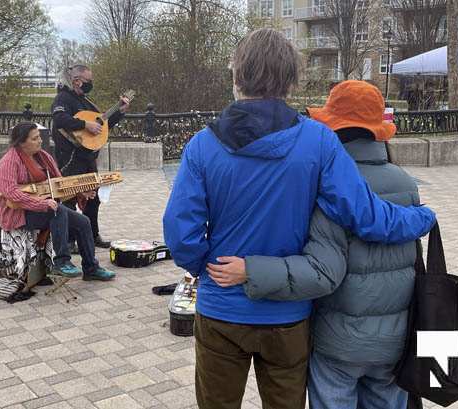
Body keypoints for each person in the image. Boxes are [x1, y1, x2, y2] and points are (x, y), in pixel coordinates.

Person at [163, 29, 435, 409]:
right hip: (288, 317)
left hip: (221, 310)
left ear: (236, 77)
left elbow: (180, 236)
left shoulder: (202, 146)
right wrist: (420, 219)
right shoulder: (318, 142)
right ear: (291, 81)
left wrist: (207, 269)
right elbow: (366, 216)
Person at [207, 80, 419, 409]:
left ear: (332, 127)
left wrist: (251, 270)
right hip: (394, 342)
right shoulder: (406, 182)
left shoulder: (328, 184)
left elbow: (323, 272)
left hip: (338, 345)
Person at [0, 122, 116, 281]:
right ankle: (61, 262)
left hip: (46, 208)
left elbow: (59, 184)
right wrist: (42, 204)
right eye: (34, 139)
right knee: (57, 211)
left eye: (39, 137)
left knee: (83, 221)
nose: (40, 141)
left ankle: (91, 268)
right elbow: (11, 193)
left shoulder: (43, 156)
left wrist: (80, 192)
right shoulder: (9, 161)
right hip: (20, 213)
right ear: (21, 142)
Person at [51, 64, 131, 249]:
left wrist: (119, 112)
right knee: (69, 198)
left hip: (87, 156)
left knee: (93, 198)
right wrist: (84, 125)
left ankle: (92, 235)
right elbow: (59, 119)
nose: (90, 84)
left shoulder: (85, 101)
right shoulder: (63, 98)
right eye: (88, 81)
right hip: (70, 157)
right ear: (76, 81)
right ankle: (69, 241)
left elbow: (100, 126)